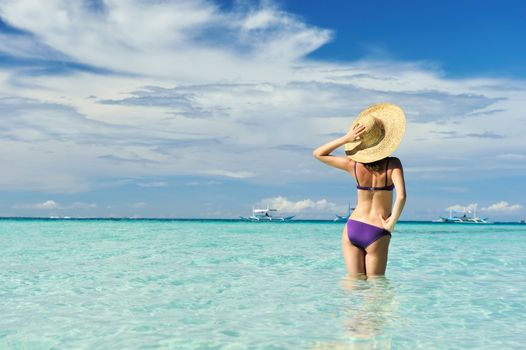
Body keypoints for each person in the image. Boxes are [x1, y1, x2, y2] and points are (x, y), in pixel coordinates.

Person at [313, 103, 407, 278]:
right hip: (378, 228)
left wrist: (346, 138)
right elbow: (401, 196)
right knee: (376, 288)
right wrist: (391, 222)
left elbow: (318, 153)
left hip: (353, 227)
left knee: (353, 284)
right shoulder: (393, 164)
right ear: (383, 140)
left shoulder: (353, 165)